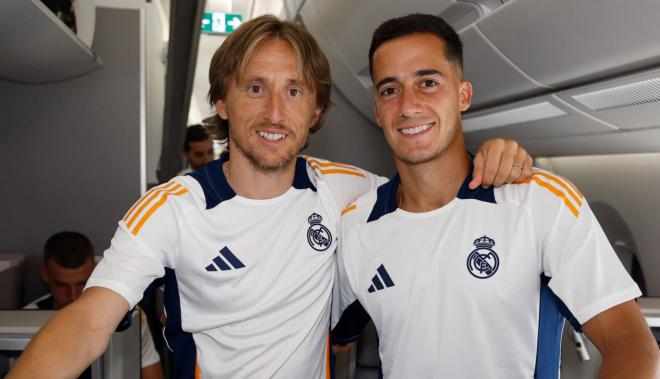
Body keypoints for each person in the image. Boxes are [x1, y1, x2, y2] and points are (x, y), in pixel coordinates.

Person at [8, 15, 532, 379]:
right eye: (255, 88)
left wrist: (499, 155)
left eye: (295, 91)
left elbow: (433, 187)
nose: (275, 113)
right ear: (222, 100)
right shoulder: (172, 209)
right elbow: (89, 320)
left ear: (317, 112)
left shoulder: (347, 191)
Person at [330, 14, 660, 378]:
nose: (408, 106)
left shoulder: (539, 201)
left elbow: (631, 344)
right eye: (390, 90)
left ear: (463, 95)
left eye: (427, 82)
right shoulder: (357, 224)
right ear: (378, 110)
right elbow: (335, 336)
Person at [23, 231, 164, 379]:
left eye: (81, 283)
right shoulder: (20, 324)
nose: (73, 295)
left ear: (95, 271)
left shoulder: (127, 320)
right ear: (45, 274)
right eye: (62, 285)